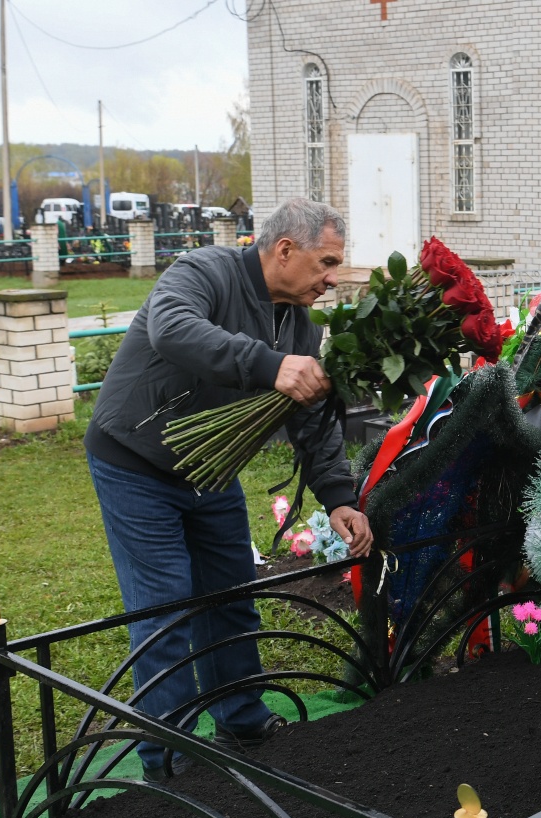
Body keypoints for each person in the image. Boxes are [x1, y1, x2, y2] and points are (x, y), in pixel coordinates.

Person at [85, 197, 373, 783]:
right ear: (285, 250)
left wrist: (339, 495)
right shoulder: (205, 272)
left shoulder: (300, 323)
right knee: (166, 607)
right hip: (135, 461)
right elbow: (171, 328)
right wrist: (269, 366)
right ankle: (168, 758)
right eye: (326, 263)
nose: (332, 278)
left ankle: (241, 718)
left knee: (231, 594)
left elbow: (311, 420)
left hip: (208, 469)